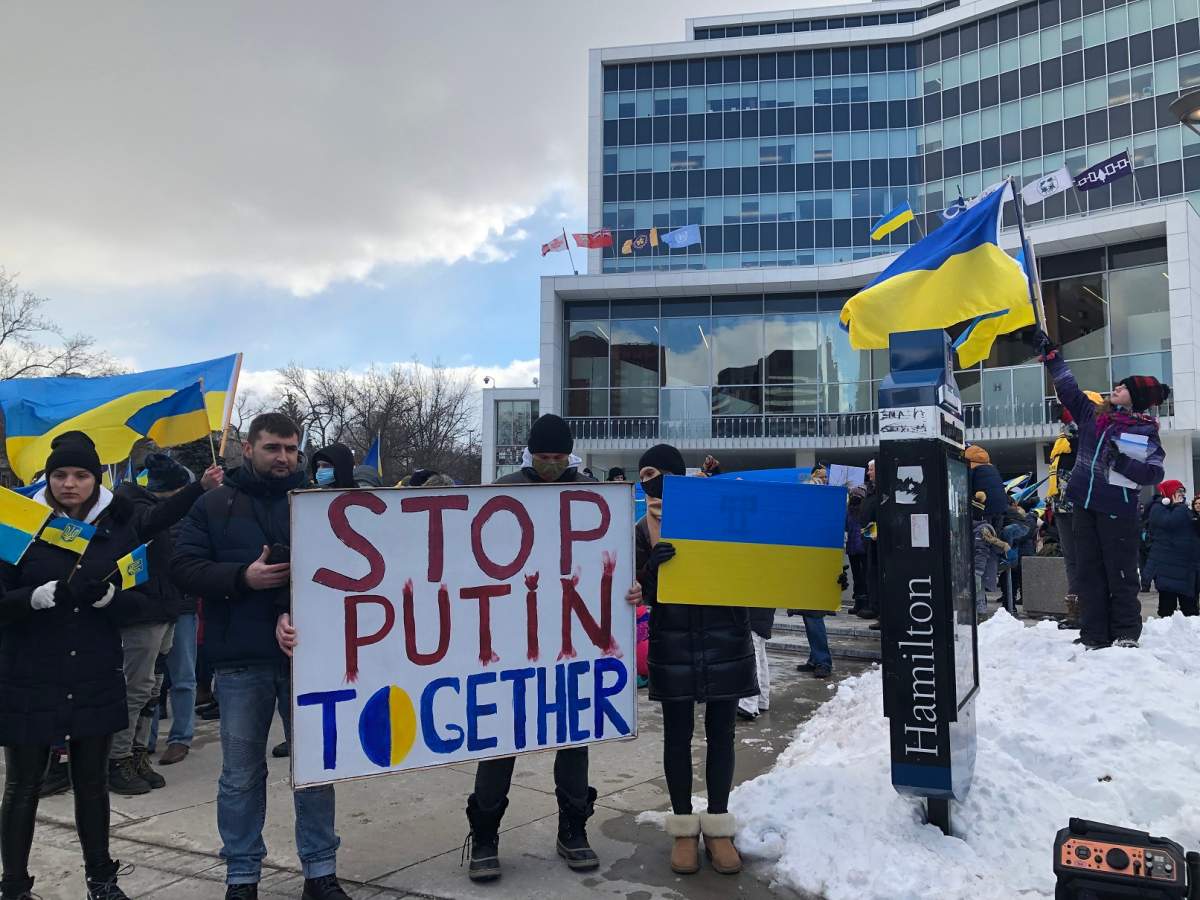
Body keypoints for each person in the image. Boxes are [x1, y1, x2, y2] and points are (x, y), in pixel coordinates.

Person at [0, 432, 215, 900]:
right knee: (22, 786)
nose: (70, 484)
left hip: (94, 673)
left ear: (96, 480)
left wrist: (112, 599)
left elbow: (146, 601)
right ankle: (14, 886)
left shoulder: (116, 525)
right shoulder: (19, 522)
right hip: (29, 676)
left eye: (80, 476)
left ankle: (102, 879)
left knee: (92, 785)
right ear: (48, 478)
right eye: (60, 475)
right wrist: (28, 599)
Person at [172, 414, 352, 900]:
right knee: (241, 775)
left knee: (315, 769)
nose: (284, 458)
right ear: (248, 449)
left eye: (292, 449)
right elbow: (183, 568)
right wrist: (241, 579)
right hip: (239, 660)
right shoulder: (213, 506)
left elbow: (347, 572)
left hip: (309, 658)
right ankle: (242, 876)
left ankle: (320, 871)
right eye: (273, 448)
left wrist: (293, 609)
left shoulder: (317, 505)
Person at [463, 414, 601, 882]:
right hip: (510, 637)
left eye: (558, 458)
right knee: (500, 738)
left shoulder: (590, 494)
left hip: (569, 637)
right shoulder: (501, 492)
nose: (550, 466)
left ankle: (573, 828)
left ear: (569, 455)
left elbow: (606, 562)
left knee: (573, 736)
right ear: (530, 455)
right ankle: (484, 835)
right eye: (543, 458)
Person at [634, 442, 756, 877]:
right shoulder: (640, 528)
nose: (648, 481)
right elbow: (634, 590)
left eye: (655, 473)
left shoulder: (722, 508)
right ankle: (684, 829)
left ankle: (718, 826)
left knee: (722, 735)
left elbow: (757, 561)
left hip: (725, 638)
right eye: (643, 474)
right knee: (677, 737)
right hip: (674, 643)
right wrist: (652, 569)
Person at [1039, 337, 1169, 648]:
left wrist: (1120, 460)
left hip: (1118, 510)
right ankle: (1093, 633)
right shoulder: (1093, 417)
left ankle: (1125, 632)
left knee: (1121, 574)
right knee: (1088, 572)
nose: (1116, 389)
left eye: (1123, 387)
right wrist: (1053, 359)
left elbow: (1154, 472)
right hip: (1084, 505)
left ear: (1134, 398)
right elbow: (1069, 390)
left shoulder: (1144, 431)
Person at [115, 453, 218, 781]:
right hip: (146, 613)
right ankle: (127, 754)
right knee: (140, 687)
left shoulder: (187, 514)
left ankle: (176, 739)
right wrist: (198, 488)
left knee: (173, 679)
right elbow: (157, 520)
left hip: (180, 607)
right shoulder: (136, 509)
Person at [1141, 480, 1200, 617]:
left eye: (1182, 491)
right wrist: (1180, 507)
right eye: (1178, 491)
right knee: (1167, 609)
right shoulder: (1158, 508)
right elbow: (1170, 522)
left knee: (1190, 610)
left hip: (1185, 568)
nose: (1181, 494)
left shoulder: (1184, 509)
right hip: (1167, 568)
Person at [972, 492, 1009, 613]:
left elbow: (980, 553)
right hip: (977, 569)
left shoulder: (981, 530)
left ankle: (981, 617)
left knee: (978, 595)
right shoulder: (975, 529)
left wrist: (977, 572)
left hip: (979, 570)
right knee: (977, 594)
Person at [738, 608, 774, 719]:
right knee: (759, 653)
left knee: (751, 653)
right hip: (761, 613)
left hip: (753, 613)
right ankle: (762, 699)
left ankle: (748, 703)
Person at [964, 445, 1008, 529]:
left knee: (984, 535)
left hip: (986, 508)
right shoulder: (993, 468)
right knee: (995, 536)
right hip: (1001, 507)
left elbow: (966, 486)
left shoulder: (973, 469)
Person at [845, 485, 869, 615]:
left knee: (863, 577)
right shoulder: (849, 512)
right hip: (856, 549)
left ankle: (863, 603)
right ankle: (859, 603)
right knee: (858, 577)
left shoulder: (857, 511)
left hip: (860, 548)